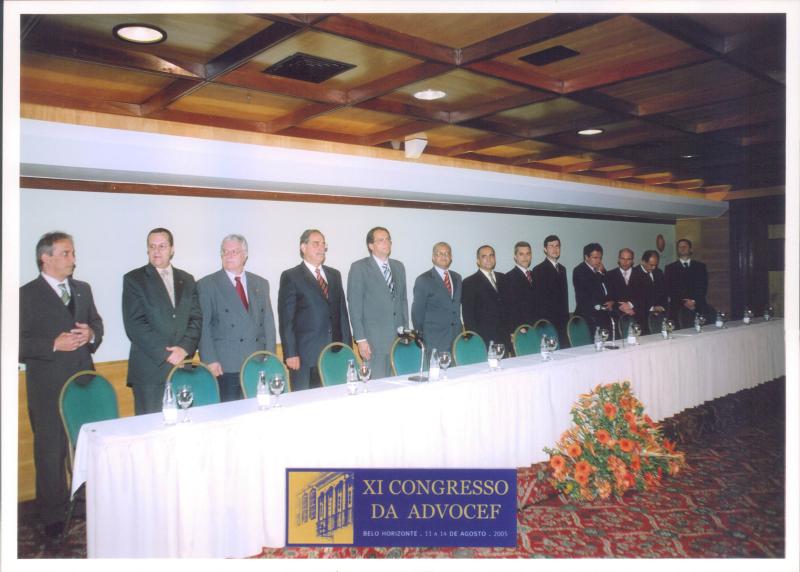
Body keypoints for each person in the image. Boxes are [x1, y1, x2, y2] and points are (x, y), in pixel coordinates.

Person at [19, 231, 104, 538]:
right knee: (50, 451)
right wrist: (53, 344)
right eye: (66, 253)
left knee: (89, 446)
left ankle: (88, 502)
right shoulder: (26, 295)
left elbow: (97, 323)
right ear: (46, 257)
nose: (73, 259)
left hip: (83, 382)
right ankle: (52, 517)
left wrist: (91, 334)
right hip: (48, 387)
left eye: (73, 253)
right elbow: (13, 342)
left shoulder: (83, 289)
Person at [122, 228, 202, 415]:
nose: (156, 251)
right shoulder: (134, 279)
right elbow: (135, 325)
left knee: (184, 423)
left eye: (162, 246)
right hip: (150, 372)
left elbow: (196, 318)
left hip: (183, 367)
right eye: (152, 246)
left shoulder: (187, 279)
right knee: (152, 427)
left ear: (172, 249)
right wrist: (167, 354)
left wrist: (184, 349)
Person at [197, 234, 276, 401]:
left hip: (257, 360)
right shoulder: (208, 284)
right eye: (224, 252)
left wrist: (270, 357)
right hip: (226, 364)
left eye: (234, 251)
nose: (228, 255)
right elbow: (204, 327)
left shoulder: (260, 283)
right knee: (230, 412)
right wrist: (209, 360)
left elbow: (268, 323)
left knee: (259, 408)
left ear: (245, 255)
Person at [278, 229, 352, 390]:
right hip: (306, 356)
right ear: (303, 247)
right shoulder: (291, 276)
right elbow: (286, 320)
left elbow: (342, 315)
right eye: (316, 243)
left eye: (323, 244)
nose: (321, 248)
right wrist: (290, 353)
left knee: (336, 398)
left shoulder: (334, 275)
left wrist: (348, 350)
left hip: (335, 353)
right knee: (306, 401)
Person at [347, 227, 408, 379]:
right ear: (371, 245)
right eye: (381, 240)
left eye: (388, 239)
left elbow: (403, 301)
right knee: (377, 386)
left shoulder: (399, 266)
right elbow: (354, 306)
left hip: (398, 340)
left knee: (400, 385)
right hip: (373, 341)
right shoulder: (359, 267)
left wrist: (406, 331)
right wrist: (361, 339)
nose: (386, 243)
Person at [411, 242, 463, 361]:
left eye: (447, 253)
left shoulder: (457, 278)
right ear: (433, 257)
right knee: (437, 371)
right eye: (440, 253)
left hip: (456, 337)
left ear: (451, 257)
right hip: (434, 339)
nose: (444, 256)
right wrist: (423, 336)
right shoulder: (423, 280)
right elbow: (417, 313)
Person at [461, 245, 509, 349]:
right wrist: (474, 340)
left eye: (491, 255)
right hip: (483, 338)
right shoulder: (469, 282)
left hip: (504, 336)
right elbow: (468, 315)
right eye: (484, 256)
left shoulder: (504, 278)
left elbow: (509, 307)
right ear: (478, 261)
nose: (489, 259)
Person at [664, 238, 714, 323]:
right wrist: (684, 302)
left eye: (685, 246)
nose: (682, 248)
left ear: (690, 249)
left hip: (697, 305)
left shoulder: (700, 267)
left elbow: (703, 286)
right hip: (677, 307)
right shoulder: (670, 268)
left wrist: (693, 301)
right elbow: (669, 289)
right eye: (680, 247)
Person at [531, 235, 569, 346]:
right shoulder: (538, 270)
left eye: (557, 246)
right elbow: (539, 300)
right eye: (551, 246)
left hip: (563, 321)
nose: (555, 249)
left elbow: (564, 297)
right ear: (545, 249)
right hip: (548, 322)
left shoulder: (562, 269)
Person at [572, 242, 613, 333]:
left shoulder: (602, 271)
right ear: (586, 257)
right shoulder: (579, 270)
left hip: (603, 316)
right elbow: (592, 292)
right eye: (595, 258)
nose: (598, 261)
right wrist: (599, 273)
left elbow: (609, 289)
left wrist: (611, 301)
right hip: (588, 317)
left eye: (600, 258)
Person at [505, 241, 537, 338]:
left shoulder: (536, 275)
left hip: (537, 327)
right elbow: (509, 308)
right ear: (515, 257)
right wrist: (516, 328)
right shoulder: (508, 277)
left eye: (528, 254)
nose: (525, 257)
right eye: (521, 254)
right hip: (521, 329)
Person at [630, 249, 668, 334]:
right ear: (643, 261)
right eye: (651, 265)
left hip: (660, 315)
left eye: (655, 265)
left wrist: (661, 307)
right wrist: (652, 308)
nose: (653, 267)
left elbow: (664, 292)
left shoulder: (659, 272)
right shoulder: (634, 273)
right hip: (642, 317)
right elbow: (636, 297)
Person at [606, 248, 636, 320]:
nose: (625, 262)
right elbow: (610, 298)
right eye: (623, 259)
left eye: (628, 259)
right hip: (618, 316)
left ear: (632, 261)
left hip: (637, 314)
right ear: (619, 259)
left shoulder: (641, 275)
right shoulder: (609, 275)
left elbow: (644, 296)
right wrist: (622, 308)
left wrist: (631, 306)